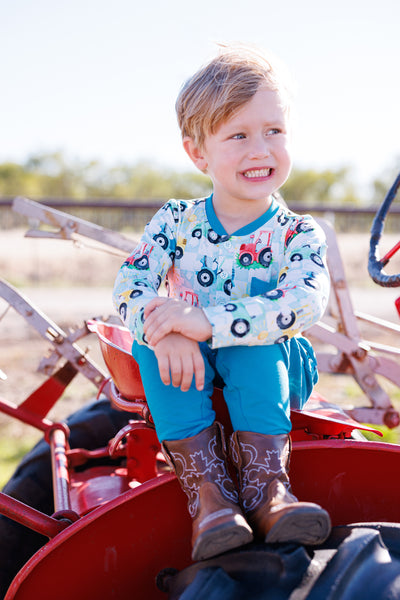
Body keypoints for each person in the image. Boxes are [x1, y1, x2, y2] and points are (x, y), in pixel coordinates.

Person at [113, 43, 331, 562]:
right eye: (239, 135)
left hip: (273, 368)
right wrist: (164, 330)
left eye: (274, 131)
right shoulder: (175, 221)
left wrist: (204, 321)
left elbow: (303, 302)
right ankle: (208, 498)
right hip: (189, 364)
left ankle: (267, 491)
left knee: (251, 346)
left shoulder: (298, 233)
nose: (261, 149)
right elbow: (129, 286)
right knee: (152, 347)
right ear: (198, 153)